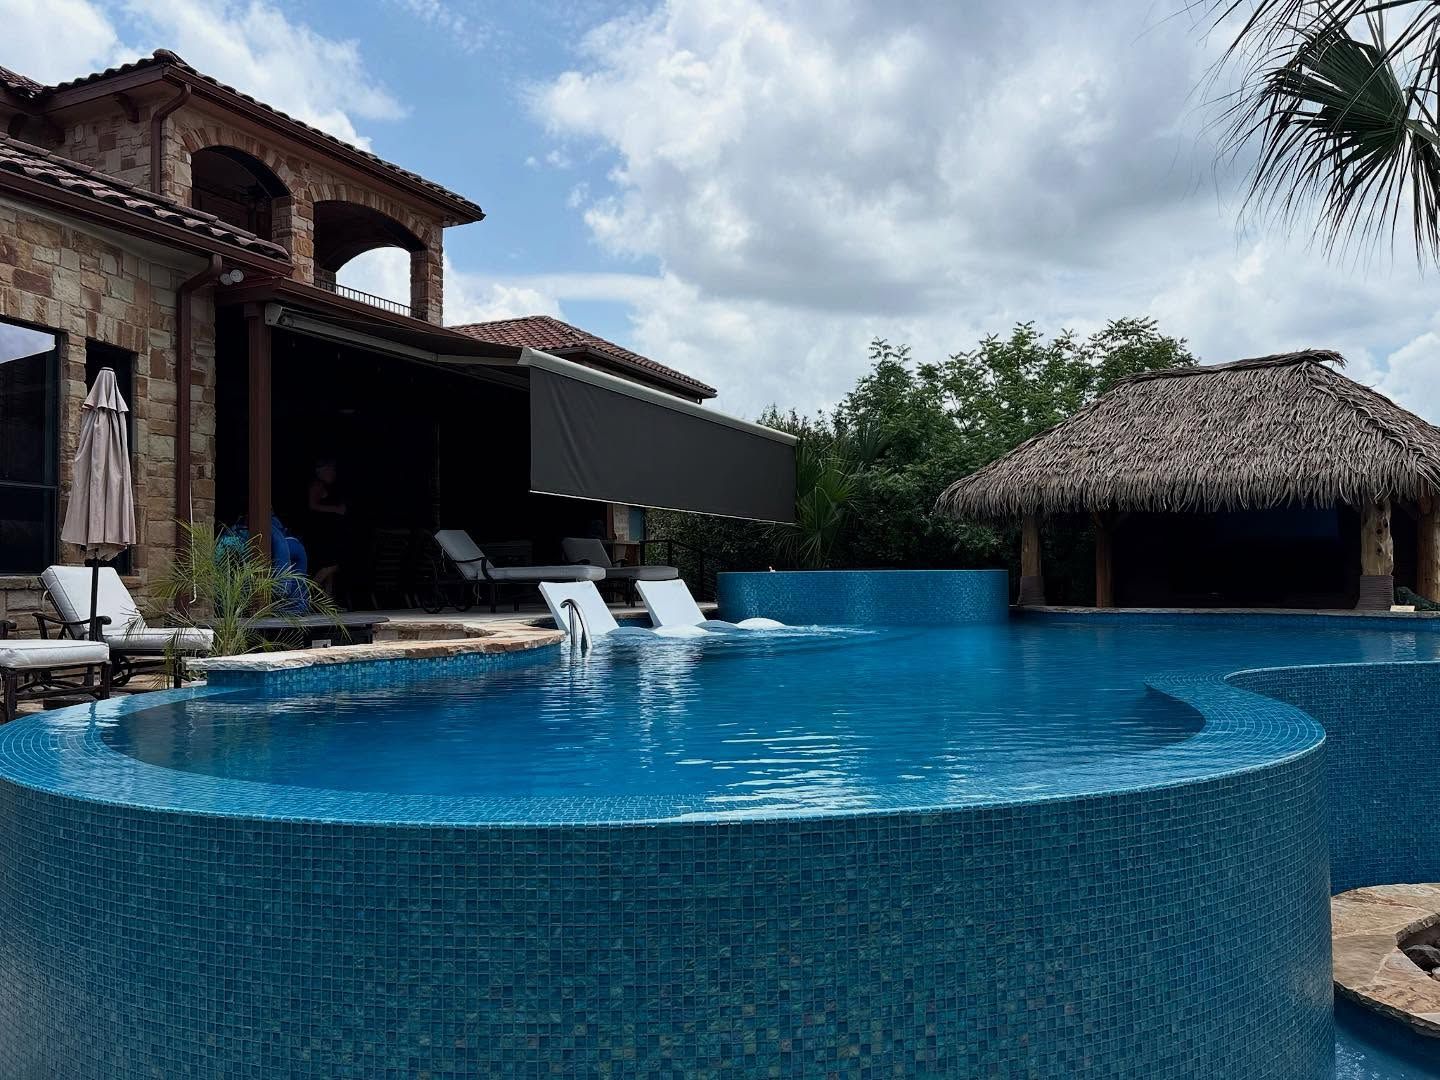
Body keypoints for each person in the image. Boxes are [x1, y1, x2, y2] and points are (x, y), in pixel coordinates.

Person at [306, 459, 347, 598]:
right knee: (331, 565)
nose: (333, 473)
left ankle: (328, 603)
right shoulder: (317, 485)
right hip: (322, 534)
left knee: (331, 570)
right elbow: (312, 505)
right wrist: (335, 509)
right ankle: (305, 596)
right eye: (330, 470)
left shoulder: (330, 487)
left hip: (331, 534)